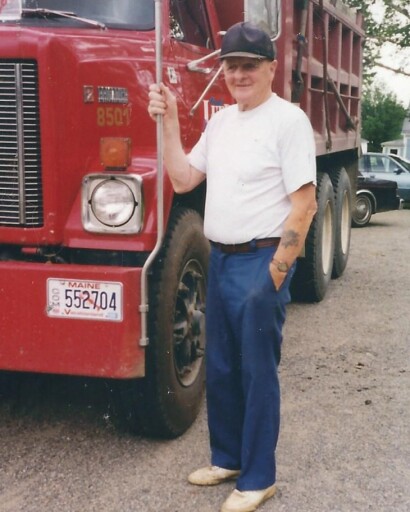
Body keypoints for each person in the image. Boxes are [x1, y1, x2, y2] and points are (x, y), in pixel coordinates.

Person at [148, 21, 317, 512]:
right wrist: (170, 122)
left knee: (256, 372)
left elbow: (303, 206)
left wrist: (274, 279)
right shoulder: (221, 122)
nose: (239, 75)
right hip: (219, 260)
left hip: (261, 261)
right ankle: (227, 458)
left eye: (249, 66)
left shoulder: (289, 121)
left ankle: (259, 477)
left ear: (269, 68)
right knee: (220, 366)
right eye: (231, 66)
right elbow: (181, 179)